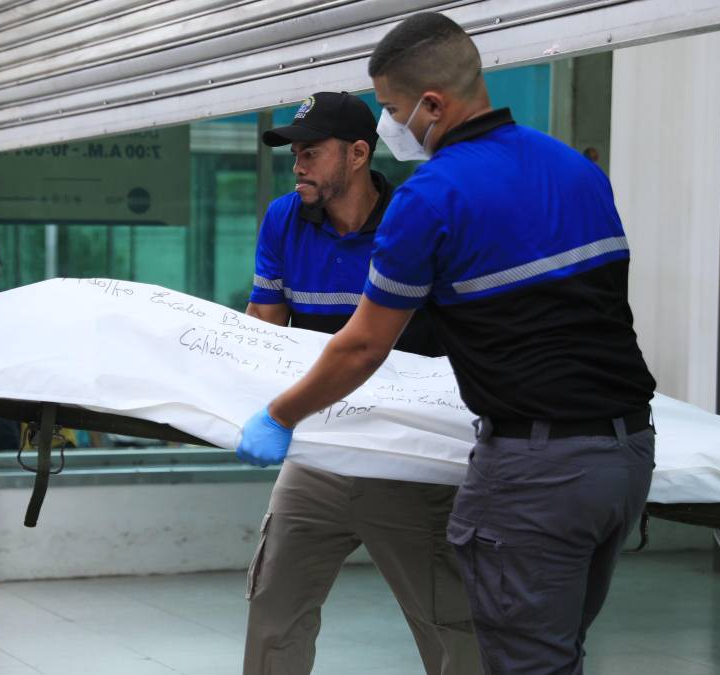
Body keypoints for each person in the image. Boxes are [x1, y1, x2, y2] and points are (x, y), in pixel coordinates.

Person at [235, 14, 657, 675]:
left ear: (431, 105)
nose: (390, 124)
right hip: (624, 455)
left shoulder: (430, 198)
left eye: (392, 108)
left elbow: (364, 346)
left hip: (527, 463)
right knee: (553, 650)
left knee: (505, 651)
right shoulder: (576, 169)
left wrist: (279, 414)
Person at [241, 91, 482, 675]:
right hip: (318, 451)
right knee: (274, 610)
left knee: (449, 624)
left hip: (405, 459)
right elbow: (262, 331)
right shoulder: (284, 219)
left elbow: (444, 343)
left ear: (356, 154)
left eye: (311, 152)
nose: (298, 166)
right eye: (294, 154)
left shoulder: (414, 224)